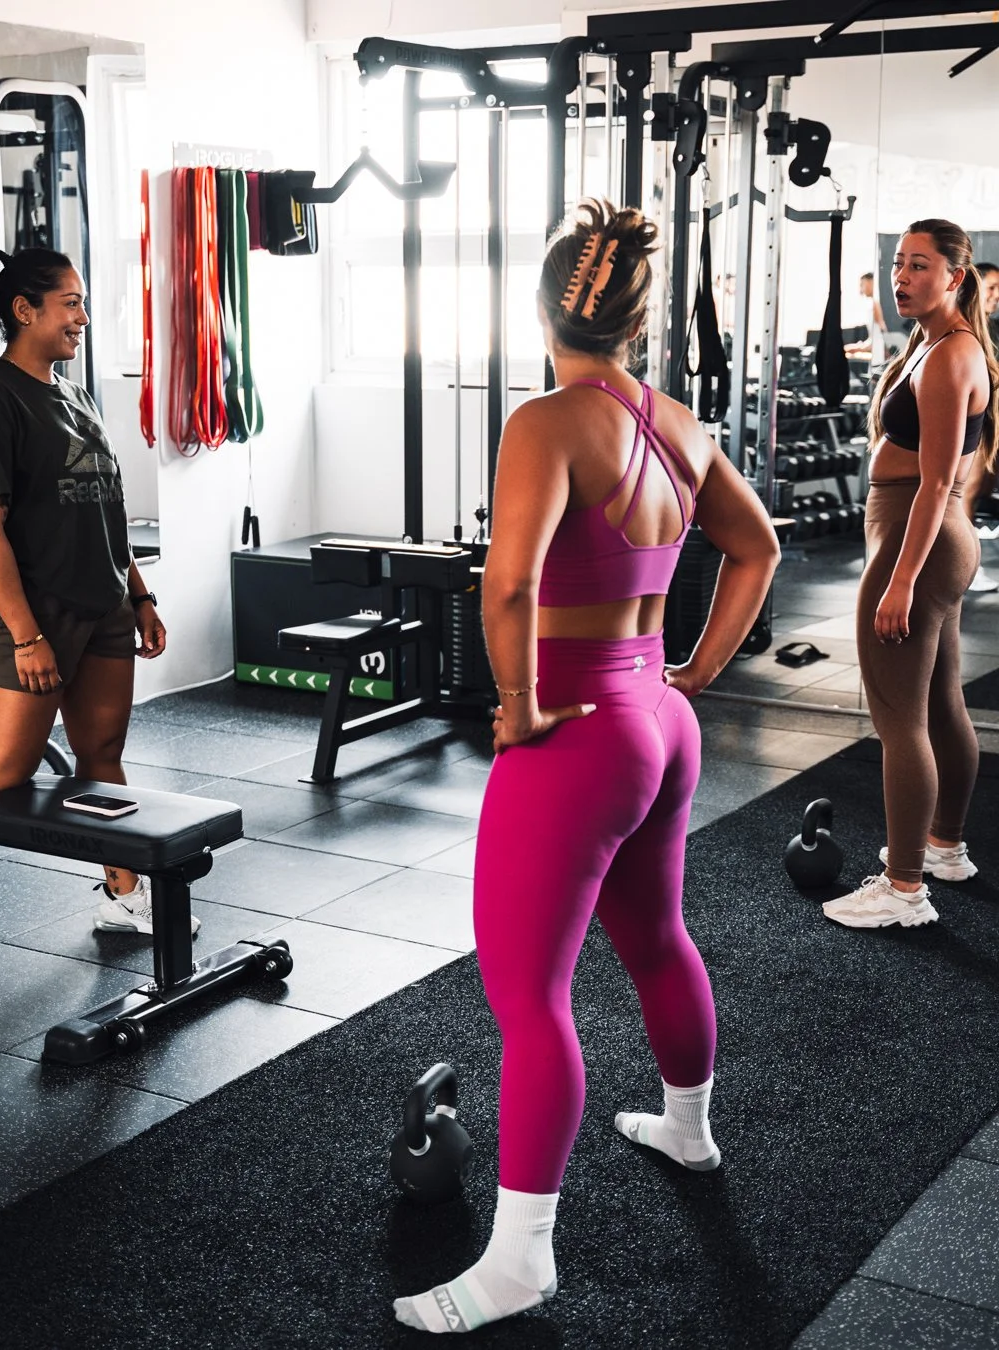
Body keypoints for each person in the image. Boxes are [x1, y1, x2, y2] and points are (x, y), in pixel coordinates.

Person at [393, 201, 780, 1334]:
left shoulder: (547, 422)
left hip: (577, 731)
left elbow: (504, 585)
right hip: (659, 715)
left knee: (529, 996)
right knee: (655, 937)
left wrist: (513, 707)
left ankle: (520, 1261)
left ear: (547, 312)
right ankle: (691, 1128)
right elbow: (758, 548)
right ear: (639, 321)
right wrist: (697, 666)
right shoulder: (682, 423)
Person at [0, 246, 190, 938]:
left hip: (101, 606)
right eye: (71, 303)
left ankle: (126, 896)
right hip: (35, 614)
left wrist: (139, 594)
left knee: (102, 756)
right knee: (5, 773)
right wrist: (26, 634)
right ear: (24, 311)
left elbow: (105, 504)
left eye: (82, 303)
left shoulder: (75, 394)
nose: (83, 318)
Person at [823, 220, 998, 931]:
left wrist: (899, 579)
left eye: (920, 266)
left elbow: (933, 484)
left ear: (957, 277)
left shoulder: (953, 355)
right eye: (898, 264)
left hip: (916, 539)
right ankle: (944, 848)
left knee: (899, 721)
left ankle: (903, 888)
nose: (903, 277)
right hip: (920, 538)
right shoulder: (931, 343)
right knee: (941, 702)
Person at [964, 260, 999, 591]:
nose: (997, 295)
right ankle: (964, 570)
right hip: (977, 426)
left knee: (982, 491)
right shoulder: (967, 329)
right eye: (991, 288)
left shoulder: (992, 327)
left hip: (994, 425)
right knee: (968, 495)